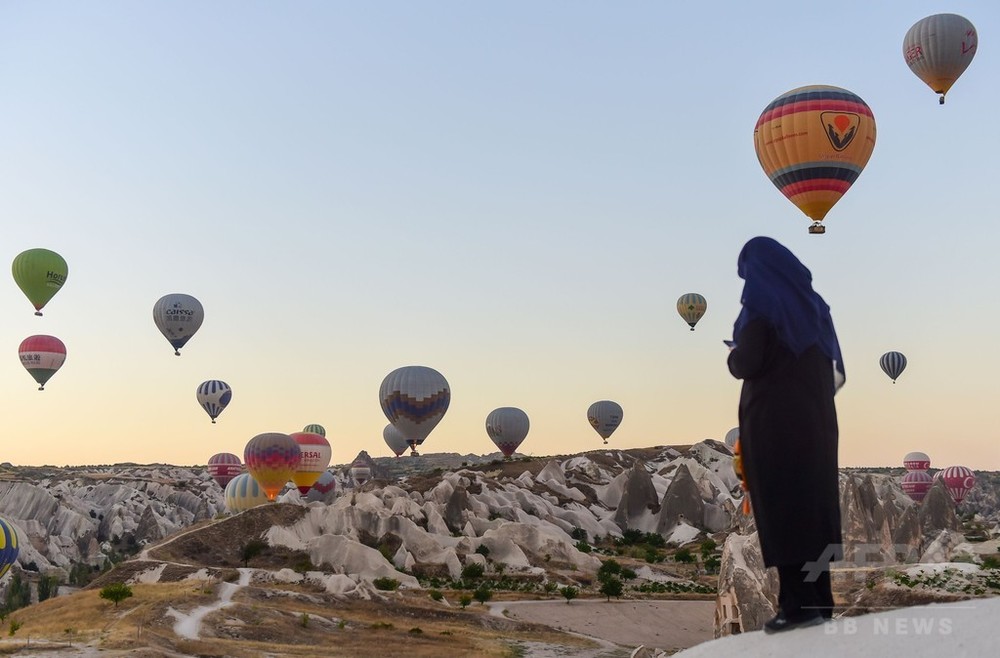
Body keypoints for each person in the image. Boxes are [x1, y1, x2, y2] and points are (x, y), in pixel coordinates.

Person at [726, 236, 844, 634]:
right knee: (810, 506)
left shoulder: (761, 307)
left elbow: (746, 362)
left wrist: (733, 350)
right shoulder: (813, 308)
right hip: (815, 426)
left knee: (783, 509)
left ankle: (796, 607)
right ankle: (819, 602)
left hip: (775, 427)